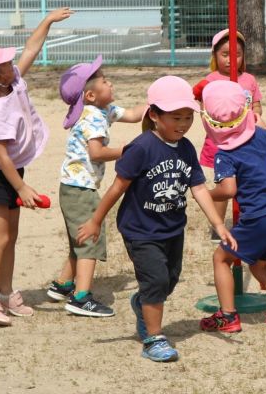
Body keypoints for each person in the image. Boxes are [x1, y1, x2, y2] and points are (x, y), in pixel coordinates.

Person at [77, 75, 236, 362]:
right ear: (154, 115)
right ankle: (154, 338)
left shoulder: (186, 148)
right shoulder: (141, 148)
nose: (183, 124)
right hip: (140, 230)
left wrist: (219, 224)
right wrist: (96, 221)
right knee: (155, 281)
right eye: (176, 118)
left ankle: (141, 302)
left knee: (168, 281)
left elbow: (198, 187)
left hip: (173, 229)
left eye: (188, 117)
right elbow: (117, 187)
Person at [0, 7, 73, 326]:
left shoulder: (13, 83)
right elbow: (1, 156)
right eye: (4, 63)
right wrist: (22, 187)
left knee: (11, 235)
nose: (12, 63)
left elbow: (32, 48)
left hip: (11, 173)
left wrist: (48, 20)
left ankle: (5, 293)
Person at [198, 80, 266, 333]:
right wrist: (264, 125)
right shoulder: (262, 136)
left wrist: (205, 194)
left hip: (259, 219)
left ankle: (227, 315)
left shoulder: (224, 153)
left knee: (221, 257)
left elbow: (228, 190)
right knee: (259, 266)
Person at [47, 56, 145, 317]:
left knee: (77, 238)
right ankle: (81, 298)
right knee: (90, 239)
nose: (110, 82)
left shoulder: (106, 109)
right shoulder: (92, 117)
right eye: (104, 80)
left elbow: (135, 115)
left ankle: (63, 285)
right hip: (79, 189)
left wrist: (159, 101)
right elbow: (97, 153)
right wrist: (127, 151)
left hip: (74, 186)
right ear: (90, 95)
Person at [193, 28, 263, 240]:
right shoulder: (210, 80)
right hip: (220, 143)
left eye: (237, 55)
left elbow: (257, 106)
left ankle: (244, 223)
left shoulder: (249, 80)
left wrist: (254, 116)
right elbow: (204, 109)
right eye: (225, 55)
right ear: (215, 55)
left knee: (244, 185)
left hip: (246, 143)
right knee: (224, 187)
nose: (231, 60)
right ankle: (218, 226)